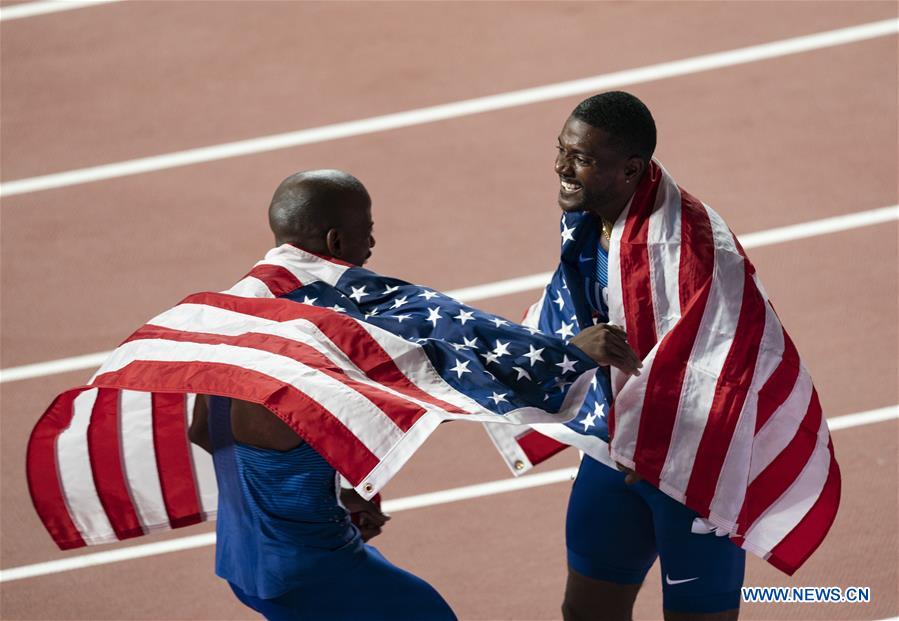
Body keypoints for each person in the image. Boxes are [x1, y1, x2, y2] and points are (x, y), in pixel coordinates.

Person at [188, 170, 458, 621]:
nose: (371, 247)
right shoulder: (313, 342)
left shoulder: (229, 324)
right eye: (366, 233)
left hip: (243, 564)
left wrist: (327, 497)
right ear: (335, 242)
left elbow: (204, 431)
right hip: (310, 569)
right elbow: (428, 400)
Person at [548, 93, 746, 621]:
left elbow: (731, 367)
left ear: (631, 169)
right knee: (585, 611)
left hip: (690, 466)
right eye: (562, 150)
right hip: (617, 450)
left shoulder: (692, 249)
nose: (563, 169)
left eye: (582, 159)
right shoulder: (594, 216)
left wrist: (662, 449)